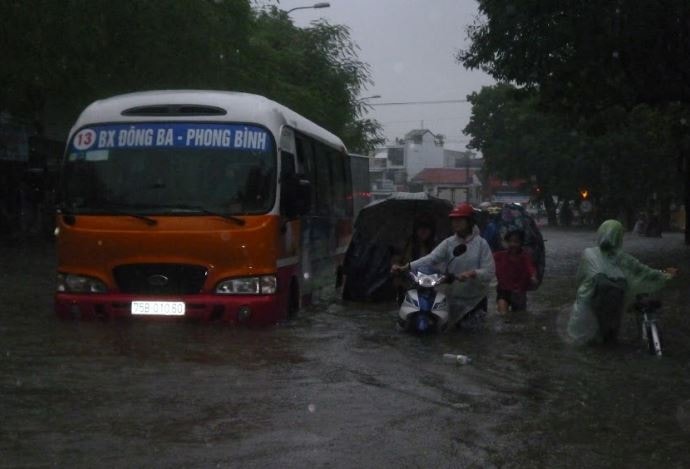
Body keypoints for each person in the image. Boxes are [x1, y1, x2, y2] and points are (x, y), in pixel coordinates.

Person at [567, 219, 677, 345]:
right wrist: (666, 274)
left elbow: (580, 278)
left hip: (588, 305)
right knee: (609, 341)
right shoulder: (624, 258)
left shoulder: (588, 253)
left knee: (587, 343)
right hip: (615, 303)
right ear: (619, 237)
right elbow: (646, 272)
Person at [392, 202, 495, 327]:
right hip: (453, 297)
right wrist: (406, 267)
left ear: (469, 221)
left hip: (475, 299)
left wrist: (472, 273)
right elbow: (431, 258)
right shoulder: (448, 243)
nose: (455, 223)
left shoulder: (481, 244)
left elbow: (489, 272)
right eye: (453, 220)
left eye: (460, 220)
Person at [392, 213, 437, 304]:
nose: (423, 231)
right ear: (416, 229)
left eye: (427, 228)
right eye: (420, 228)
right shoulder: (407, 244)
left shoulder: (436, 247)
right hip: (408, 286)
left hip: (430, 286)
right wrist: (395, 267)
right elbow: (396, 261)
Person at [493, 229, 538, 313]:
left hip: (519, 291)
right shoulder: (500, 255)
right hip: (503, 289)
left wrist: (533, 276)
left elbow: (531, 268)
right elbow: (488, 262)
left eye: (516, 242)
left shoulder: (525, 257)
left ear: (521, 243)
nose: (512, 244)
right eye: (510, 241)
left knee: (519, 316)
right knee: (503, 315)